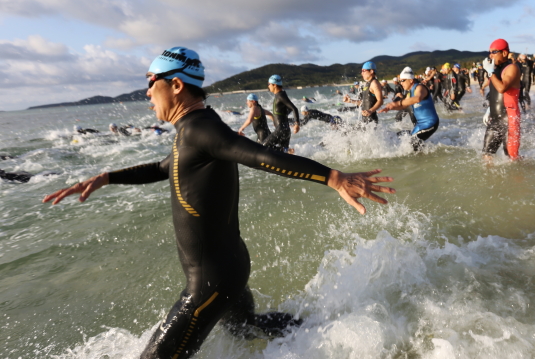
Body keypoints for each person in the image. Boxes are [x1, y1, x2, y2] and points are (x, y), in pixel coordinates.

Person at [42, 47, 395, 359]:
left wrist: (333, 178)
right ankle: (328, 333)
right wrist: (105, 177)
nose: (147, 92)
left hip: (209, 280)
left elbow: (257, 155)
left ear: (176, 85)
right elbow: (165, 167)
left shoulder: (201, 130)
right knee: (248, 328)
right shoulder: (193, 128)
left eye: (152, 81)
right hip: (228, 267)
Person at [379, 67, 439, 150]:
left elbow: (418, 98)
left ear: (411, 80)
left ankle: (421, 161)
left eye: (403, 80)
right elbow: (404, 106)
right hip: (419, 125)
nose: (401, 83)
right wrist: (390, 108)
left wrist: (398, 102)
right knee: (401, 136)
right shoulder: (409, 93)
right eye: (400, 81)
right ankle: (426, 154)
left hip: (430, 123)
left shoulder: (419, 87)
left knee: (413, 143)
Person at [481, 39, 521, 160]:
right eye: (489, 52)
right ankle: (491, 179)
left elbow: (502, 88)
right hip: (495, 119)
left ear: (504, 53)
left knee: (512, 159)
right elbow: (493, 91)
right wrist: (489, 109)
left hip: (509, 120)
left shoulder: (512, 68)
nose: (490, 55)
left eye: (494, 52)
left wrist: (490, 72)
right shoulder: (495, 70)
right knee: (487, 155)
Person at [263, 75, 300, 153]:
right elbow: (289, 109)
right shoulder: (280, 95)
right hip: (285, 129)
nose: (268, 86)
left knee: (263, 146)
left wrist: (297, 124)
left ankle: (286, 150)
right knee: (283, 155)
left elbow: (294, 108)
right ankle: (286, 154)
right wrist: (282, 116)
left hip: (281, 130)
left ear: (274, 85)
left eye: (269, 84)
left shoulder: (280, 95)